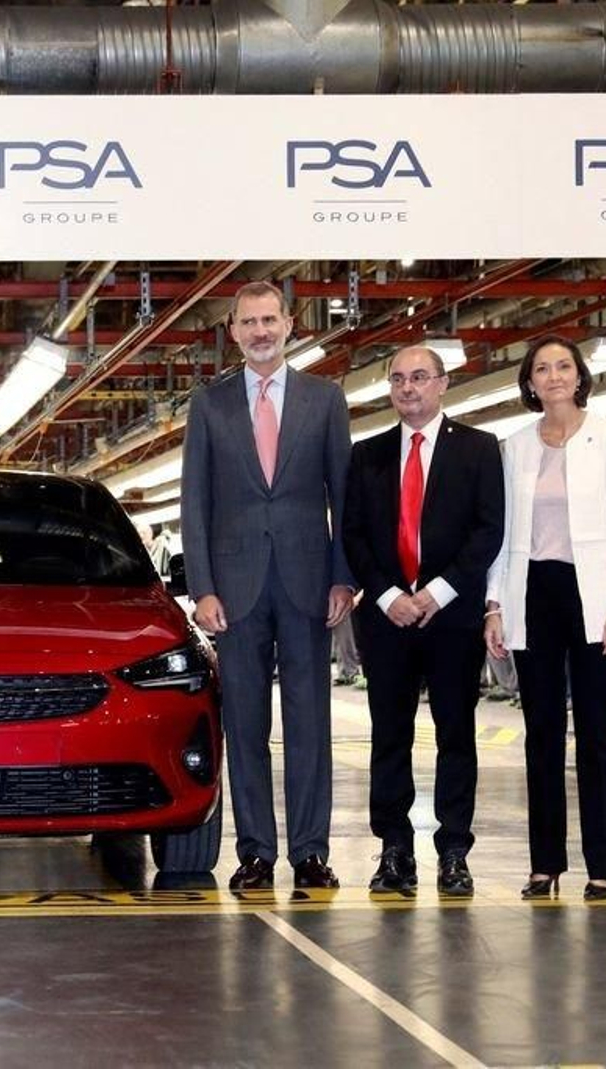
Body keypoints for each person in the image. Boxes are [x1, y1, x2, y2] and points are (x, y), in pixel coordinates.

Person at [180, 280, 354, 892]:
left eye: (269, 320)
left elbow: (344, 497)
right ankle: (255, 851)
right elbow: (195, 503)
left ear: (289, 325)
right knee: (244, 727)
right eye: (248, 322)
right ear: (233, 332)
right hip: (235, 591)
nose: (260, 331)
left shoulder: (325, 399)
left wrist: (343, 576)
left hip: (309, 585)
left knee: (310, 726)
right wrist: (202, 587)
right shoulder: (209, 405)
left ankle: (310, 852)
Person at [344, 344, 504, 897]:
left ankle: (454, 850)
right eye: (397, 379)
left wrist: (437, 592)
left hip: (452, 616)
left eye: (418, 377)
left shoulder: (479, 449)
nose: (407, 388)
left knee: (456, 734)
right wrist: (388, 595)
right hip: (387, 619)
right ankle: (395, 849)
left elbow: (488, 530)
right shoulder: (367, 455)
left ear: (442, 383)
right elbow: (353, 535)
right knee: (390, 736)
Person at [485, 336, 606, 902]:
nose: (553, 376)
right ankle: (544, 862)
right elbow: (504, 537)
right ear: (530, 382)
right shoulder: (516, 446)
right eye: (542, 368)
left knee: (598, 733)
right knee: (542, 734)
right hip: (533, 593)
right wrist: (495, 605)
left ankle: (605, 863)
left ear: (579, 376)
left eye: (563, 366)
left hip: (593, 595)